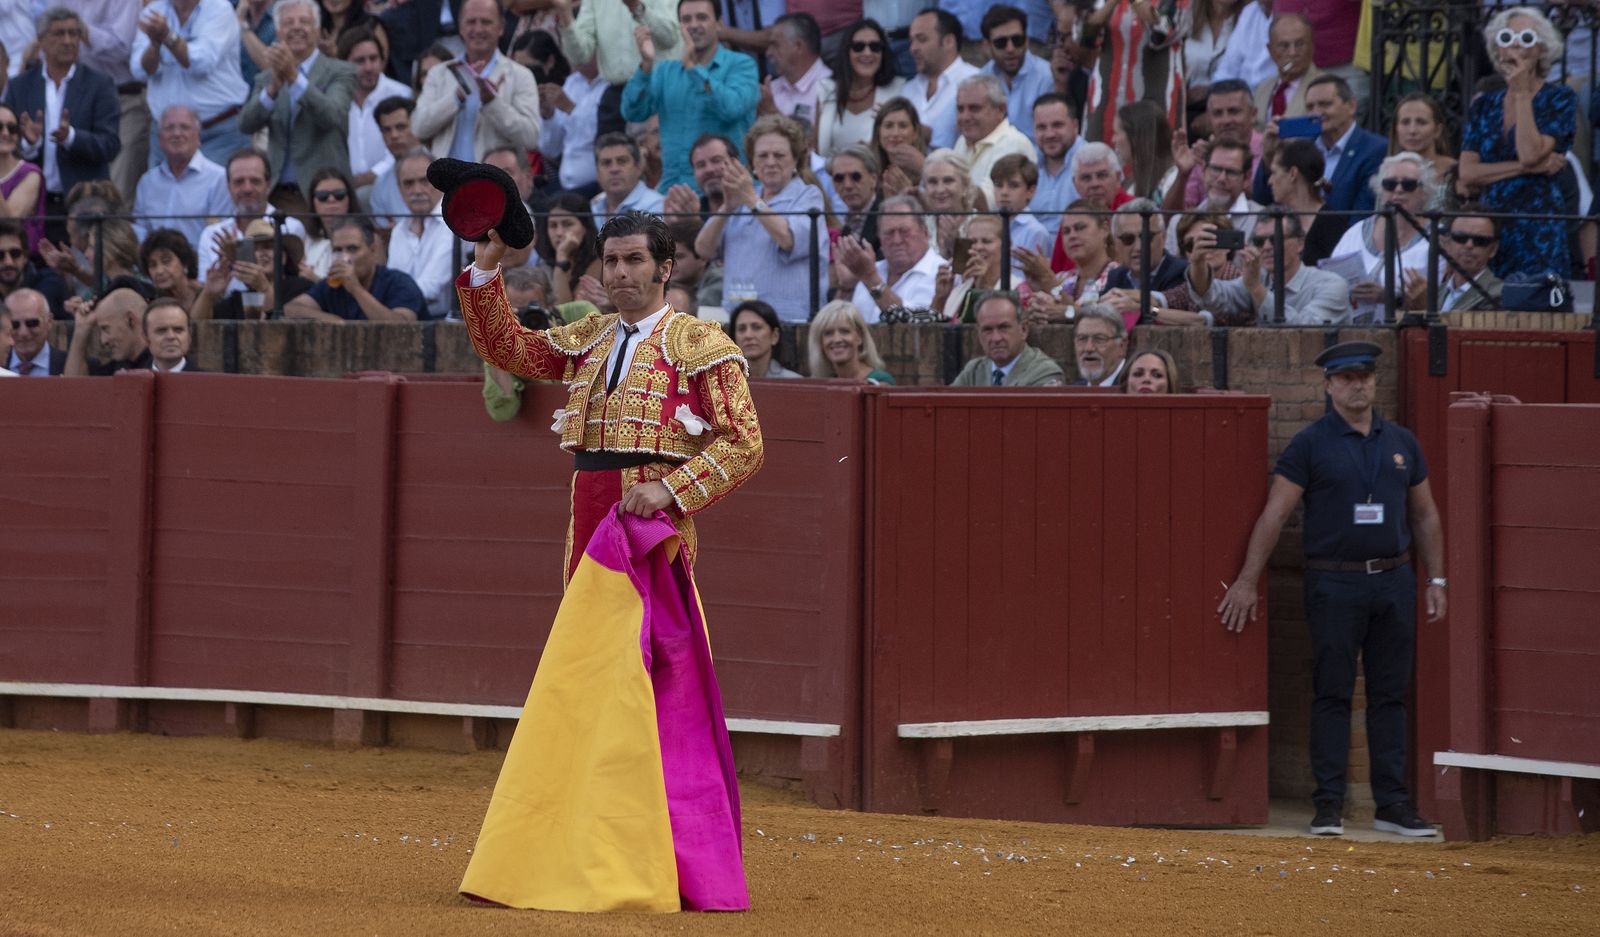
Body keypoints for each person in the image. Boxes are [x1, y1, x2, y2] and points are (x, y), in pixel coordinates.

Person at [452, 205, 757, 914]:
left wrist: (673, 486)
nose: (619, 273)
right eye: (610, 261)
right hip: (587, 522)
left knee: (642, 690)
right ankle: (577, 846)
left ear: (665, 267)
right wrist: (488, 268)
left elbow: (745, 443)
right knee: (583, 685)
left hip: (650, 532)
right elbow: (511, 351)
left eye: (633, 261)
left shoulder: (699, 343)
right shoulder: (590, 334)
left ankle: (645, 857)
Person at [1219, 339, 1445, 839]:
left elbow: (1425, 514)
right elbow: (1275, 514)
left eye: (1364, 376)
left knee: (1390, 695)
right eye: (1346, 378)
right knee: (1333, 694)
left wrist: (1436, 578)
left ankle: (1392, 805)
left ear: (1375, 381)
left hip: (1393, 578)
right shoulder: (1310, 443)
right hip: (1334, 581)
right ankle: (1328, 805)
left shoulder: (1402, 442)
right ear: (1329, 386)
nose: (1357, 384)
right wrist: (1247, 580)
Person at [1459, 7, 1576, 280]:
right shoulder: (1484, 105)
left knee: (1536, 302)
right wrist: (1526, 169)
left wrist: (1522, 92)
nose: (1513, 44)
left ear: (1541, 51)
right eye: (1506, 37)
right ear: (1496, 48)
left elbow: (1530, 153)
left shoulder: (1559, 98)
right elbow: (1468, 173)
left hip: (1538, 221)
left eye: (1525, 38)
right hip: (1491, 225)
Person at [695, 115, 829, 323]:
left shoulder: (807, 195)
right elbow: (703, 249)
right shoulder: (741, 199)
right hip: (738, 320)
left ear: (795, 160)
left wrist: (750, 199)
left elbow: (788, 239)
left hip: (789, 322)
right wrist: (727, 208)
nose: (771, 162)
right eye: (762, 156)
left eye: (779, 155)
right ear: (753, 163)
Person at [4, 7, 120, 244]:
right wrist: (28, 144)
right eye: (59, 34)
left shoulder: (100, 84)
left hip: (83, 202)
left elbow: (110, 145)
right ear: (41, 40)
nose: (68, 41)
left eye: (74, 34)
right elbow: (7, 145)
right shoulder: (20, 86)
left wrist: (72, 137)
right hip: (35, 203)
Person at [622, 0, 760, 192]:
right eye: (686, 20)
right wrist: (645, 65)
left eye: (702, 18)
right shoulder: (665, 71)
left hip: (727, 192)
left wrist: (693, 69)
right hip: (675, 194)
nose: (694, 25)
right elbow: (632, 111)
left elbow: (731, 108)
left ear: (719, 23)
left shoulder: (742, 65)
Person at [237, 0, 356, 201]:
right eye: (288, 23)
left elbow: (332, 116)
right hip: (278, 194)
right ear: (278, 31)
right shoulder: (266, 78)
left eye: (304, 21)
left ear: (317, 30)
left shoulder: (340, 71)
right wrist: (272, 91)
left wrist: (294, 79)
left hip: (326, 196)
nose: (296, 27)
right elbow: (245, 124)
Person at [411, 0, 541, 165]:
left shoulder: (520, 76)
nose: (478, 29)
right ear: (460, 26)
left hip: (493, 183)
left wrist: (493, 103)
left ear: (501, 27)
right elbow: (418, 128)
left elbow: (532, 137)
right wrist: (455, 99)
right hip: (446, 185)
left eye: (486, 22)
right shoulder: (440, 73)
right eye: (471, 22)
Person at [1253, 75, 1387, 232]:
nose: (1316, 112)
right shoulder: (1299, 148)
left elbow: (1362, 217)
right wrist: (1269, 155)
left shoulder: (1375, 149)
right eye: (1310, 107)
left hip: (1342, 246)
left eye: (1325, 104)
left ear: (1351, 106)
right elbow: (1263, 200)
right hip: (1293, 242)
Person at [131, 0, 252, 170]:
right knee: (163, 196)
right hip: (166, 136)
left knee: (219, 196)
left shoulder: (220, 9)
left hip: (218, 133)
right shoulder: (153, 12)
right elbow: (140, 70)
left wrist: (167, 35)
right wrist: (154, 45)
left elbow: (201, 63)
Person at [1189, 210, 1352, 325]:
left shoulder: (1332, 285)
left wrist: (1257, 288)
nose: (1266, 247)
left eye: (1275, 240)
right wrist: (1197, 263)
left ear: (1300, 243)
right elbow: (1213, 296)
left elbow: (1304, 330)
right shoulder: (1261, 278)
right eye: (1259, 241)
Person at [1328, 152, 1437, 324]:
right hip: (1349, 330)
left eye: (1408, 185)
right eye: (1390, 184)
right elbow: (1330, 280)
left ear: (1424, 192)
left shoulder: (1438, 239)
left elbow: (1440, 301)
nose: (1398, 190)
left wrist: (1389, 297)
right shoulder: (1356, 232)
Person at [196, 147, 309, 300]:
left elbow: (297, 284)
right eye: (239, 182)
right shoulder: (211, 235)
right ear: (228, 187)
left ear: (268, 185)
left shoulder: (290, 227)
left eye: (255, 181)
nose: (247, 189)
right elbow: (208, 293)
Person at [285, 217, 426, 321]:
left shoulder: (398, 282)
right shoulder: (333, 285)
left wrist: (356, 289)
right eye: (338, 250)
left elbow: (402, 326)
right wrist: (333, 320)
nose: (344, 256)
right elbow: (291, 309)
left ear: (373, 250)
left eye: (352, 249)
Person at [1083, 0, 1183, 146]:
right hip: (1106, 100)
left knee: (1152, 156)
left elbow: (1161, 34)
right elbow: (1086, 38)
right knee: (1097, 159)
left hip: (1154, 97)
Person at [132, 105, 233, 248]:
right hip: (155, 266)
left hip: (200, 265)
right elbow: (140, 232)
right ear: (160, 139)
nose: (177, 134)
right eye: (169, 128)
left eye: (184, 127)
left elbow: (219, 235)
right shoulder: (147, 182)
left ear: (198, 137)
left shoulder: (218, 179)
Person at [840, 193, 944, 322]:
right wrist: (846, 287)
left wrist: (871, 279)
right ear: (880, 238)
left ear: (925, 232)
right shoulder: (870, 270)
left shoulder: (943, 273)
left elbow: (913, 325)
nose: (897, 240)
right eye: (889, 233)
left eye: (905, 231)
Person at [1167, 78, 1261, 211]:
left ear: (1253, 114)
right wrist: (1183, 175)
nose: (1226, 120)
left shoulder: (1270, 152)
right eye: (1218, 113)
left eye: (1234, 111)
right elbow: (1171, 220)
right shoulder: (1200, 155)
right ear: (1208, 118)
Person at [192, 218, 314, 320]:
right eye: (253, 249)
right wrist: (208, 293)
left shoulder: (301, 287)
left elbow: (282, 325)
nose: (261, 254)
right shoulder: (239, 299)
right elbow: (198, 327)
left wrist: (264, 288)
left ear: (283, 257)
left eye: (267, 247)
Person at [816, 18, 905, 157]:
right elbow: (817, 152)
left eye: (875, 47)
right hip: (831, 175)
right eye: (858, 47)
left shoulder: (899, 89)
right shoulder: (825, 89)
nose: (867, 53)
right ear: (847, 52)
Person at [340, 27, 411, 193]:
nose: (369, 67)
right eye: (360, 61)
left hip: (394, 186)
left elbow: (407, 144)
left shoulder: (401, 94)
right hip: (346, 192)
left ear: (382, 60)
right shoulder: (337, 97)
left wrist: (373, 175)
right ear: (344, 64)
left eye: (373, 59)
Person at [388, 149, 456, 316]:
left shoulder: (453, 223)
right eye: (408, 183)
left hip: (442, 323)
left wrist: (390, 299)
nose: (417, 190)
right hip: (402, 317)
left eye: (425, 181)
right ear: (399, 189)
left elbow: (431, 288)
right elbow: (392, 282)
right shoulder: (399, 230)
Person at [1163, 138, 1259, 256]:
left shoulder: (1260, 218)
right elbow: (1171, 272)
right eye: (1216, 169)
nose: (1221, 178)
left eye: (1231, 172)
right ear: (1203, 170)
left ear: (1246, 178)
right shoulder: (1177, 222)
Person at [553, 0, 681, 87]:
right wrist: (565, 15)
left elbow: (670, 38)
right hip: (615, 95)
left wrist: (636, 7)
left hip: (659, 89)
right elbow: (580, 56)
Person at [950, 291, 1064, 387]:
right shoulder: (973, 371)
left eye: (1003, 328)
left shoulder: (1045, 372)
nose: (996, 338)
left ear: (1023, 329)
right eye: (987, 330)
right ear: (978, 334)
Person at [952, 74, 1033, 206]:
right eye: (960, 109)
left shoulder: (1013, 143)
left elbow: (991, 203)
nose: (965, 117)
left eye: (974, 108)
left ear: (1001, 109)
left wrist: (934, 172)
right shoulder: (963, 140)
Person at [902, 11, 978, 151]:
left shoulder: (976, 82)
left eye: (922, 39)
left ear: (948, 42)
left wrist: (911, 128)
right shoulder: (907, 90)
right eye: (912, 41)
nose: (913, 48)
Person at [537, 51, 608, 198]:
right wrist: (548, 115)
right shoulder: (572, 83)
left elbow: (603, 138)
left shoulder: (610, 85)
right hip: (565, 186)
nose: (574, 53)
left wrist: (570, 108)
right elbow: (551, 149)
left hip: (598, 188)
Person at [1264, 138, 1342, 267]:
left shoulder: (1332, 225)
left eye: (1274, 173)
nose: (1269, 181)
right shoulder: (1273, 218)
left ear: (1293, 174)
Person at [978, 5, 1052, 138]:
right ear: (987, 46)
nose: (1010, 48)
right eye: (1001, 43)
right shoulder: (981, 79)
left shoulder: (1046, 76)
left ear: (1027, 41)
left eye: (1017, 40)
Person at [1421, 209, 1504, 314]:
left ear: (1493, 249)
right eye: (1460, 237)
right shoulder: (1438, 291)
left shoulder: (1499, 294)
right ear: (1446, 244)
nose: (1469, 245)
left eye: (1480, 240)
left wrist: (1424, 307)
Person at [931, 213, 1011, 322]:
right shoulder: (959, 288)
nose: (978, 247)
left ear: (1006, 246)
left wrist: (984, 286)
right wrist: (940, 297)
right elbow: (931, 333)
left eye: (986, 241)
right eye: (973, 242)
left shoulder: (1017, 288)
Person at [64, 280, 152, 376]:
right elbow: (74, 387)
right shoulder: (116, 367)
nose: (103, 340)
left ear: (130, 320)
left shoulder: (161, 363)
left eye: (106, 329)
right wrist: (81, 329)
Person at [762, 13, 833, 131]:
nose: (768, 53)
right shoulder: (771, 90)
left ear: (798, 46)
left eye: (775, 45)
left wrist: (772, 112)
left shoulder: (831, 88)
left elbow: (817, 145)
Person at [535, 192, 603, 308]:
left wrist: (562, 257)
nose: (559, 233)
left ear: (585, 227)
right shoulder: (541, 267)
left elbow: (566, 313)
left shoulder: (600, 264)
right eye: (553, 225)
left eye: (567, 224)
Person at [1252, 13, 1320, 124]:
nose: (1292, 53)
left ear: (1312, 46)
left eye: (1300, 44)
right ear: (1270, 51)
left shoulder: (1325, 87)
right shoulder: (1262, 89)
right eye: (1284, 46)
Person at [807, 298, 894, 384]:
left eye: (845, 331)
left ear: (860, 337)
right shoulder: (819, 384)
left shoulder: (880, 381)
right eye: (828, 333)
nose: (837, 339)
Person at [919, 148, 985, 259]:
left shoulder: (982, 225)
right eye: (932, 182)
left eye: (948, 181)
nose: (940, 190)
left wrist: (955, 245)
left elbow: (975, 273)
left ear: (965, 186)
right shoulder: (920, 226)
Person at [1027, 93, 1083, 222]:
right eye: (1041, 127)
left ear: (1075, 126)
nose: (1049, 134)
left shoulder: (1092, 162)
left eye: (1057, 125)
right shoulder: (1028, 165)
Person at [590, 132, 666, 228]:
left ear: (638, 168)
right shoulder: (594, 205)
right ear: (597, 172)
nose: (614, 169)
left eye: (622, 161)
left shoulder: (658, 206)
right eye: (606, 163)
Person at [302, 166, 362, 280]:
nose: (331, 200)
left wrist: (316, 281)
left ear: (349, 199)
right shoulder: (308, 240)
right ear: (313, 202)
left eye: (339, 194)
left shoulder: (366, 238)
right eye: (322, 196)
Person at [0, 218, 68, 315]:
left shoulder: (48, 283)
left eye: (15, 253)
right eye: (0, 255)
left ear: (25, 257)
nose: (8, 262)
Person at [368, 95, 418, 226]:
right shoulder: (380, 186)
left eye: (401, 127)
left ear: (416, 126)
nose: (394, 135)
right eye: (387, 130)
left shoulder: (442, 170)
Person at [1113, 99, 1176, 202]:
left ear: (1135, 137)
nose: (1113, 140)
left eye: (1116, 133)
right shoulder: (1130, 183)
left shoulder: (1172, 178)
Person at [0, 101, 44, 250]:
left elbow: (9, 222)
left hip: (16, 264)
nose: (5, 133)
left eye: (12, 128)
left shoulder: (30, 173)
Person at [1388, 92, 1455, 181]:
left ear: (1437, 130)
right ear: (1396, 130)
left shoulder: (1454, 172)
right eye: (1405, 122)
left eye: (1421, 122)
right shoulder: (1387, 172)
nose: (1412, 130)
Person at [828, 144, 881, 255]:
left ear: (873, 180)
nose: (847, 185)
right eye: (839, 178)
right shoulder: (846, 223)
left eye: (856, 177)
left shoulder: (887, 216)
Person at [871, 96, 926, 199]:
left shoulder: (928, 169)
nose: (895, 133)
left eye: (903, 126)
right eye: (888, 126)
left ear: (916, 132)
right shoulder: (867, 171)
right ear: (878, 132)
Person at [731, 299, 800, 378]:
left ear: (774, 336)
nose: (748, 335)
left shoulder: (794, 383)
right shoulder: (721, 384)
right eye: (742, 329)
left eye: (757, 327)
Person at [139, 227, 201, 314]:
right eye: (152, 265)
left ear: (184, 262)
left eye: (166, 261)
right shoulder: (150, 303)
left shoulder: (207, 294)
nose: (159, 271)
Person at [4, 287, 65, 375]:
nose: (23, 333)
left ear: (49, 321)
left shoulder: (71, 364)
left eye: (32, 323)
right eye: (14, 325)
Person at [1069, 304, 1128, 386]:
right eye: (1082, 338)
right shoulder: (1073, 392)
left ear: (1122, 346)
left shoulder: (1133, 389)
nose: (1088, 348)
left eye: (1099, 339)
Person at [144, 296, 197, 372]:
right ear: (146, 338)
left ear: (189, 336)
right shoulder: (132, 381)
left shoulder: (208, 382)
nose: (171, 336)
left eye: (178, 330)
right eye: (161, 331)